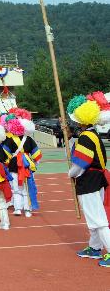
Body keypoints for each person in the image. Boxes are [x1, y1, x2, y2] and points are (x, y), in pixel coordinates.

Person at [67, 92, 110, 265]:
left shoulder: (86, 137)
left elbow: (80, 164)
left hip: (89, 181)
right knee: (94, 217)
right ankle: (94, 248)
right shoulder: (93, 135)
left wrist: (70, 173)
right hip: (97, 180)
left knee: (98, 220)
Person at [2, 110, 42, 217]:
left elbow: (5, 155)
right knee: (27, 187)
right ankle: (28, 210)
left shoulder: (10, 140)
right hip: (27, 165)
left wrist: (6, 164)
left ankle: (18, 209)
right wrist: (35, 163)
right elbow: (37, 154)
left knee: (16, 188)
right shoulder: (29, 139)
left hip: (14, 166)